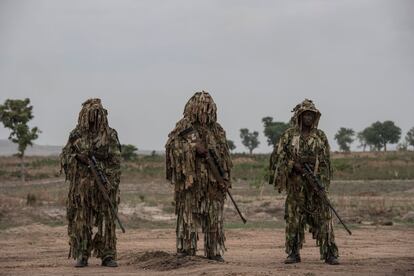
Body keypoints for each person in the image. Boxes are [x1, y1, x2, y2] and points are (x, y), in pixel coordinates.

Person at [269, 99, 339, 265]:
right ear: (299, 116)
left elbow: (326, 162)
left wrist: (320, 182)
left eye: (311, 115)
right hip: (296, 186)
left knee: (324, 218)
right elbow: (277, 159)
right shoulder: (289, 136)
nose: (308, 118)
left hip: (315, 184)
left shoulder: (320, 136)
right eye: (306, 114)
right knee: (294, 220)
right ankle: (293, 252)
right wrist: (293, 166)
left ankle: (330, 253)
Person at [165, 91, 232, 262]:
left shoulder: (217, 130)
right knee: (188, 216)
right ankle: (186, 250)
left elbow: (224, 156)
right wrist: (193, 150)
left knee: (214, 217)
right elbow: (173, 149)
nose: (204, 111)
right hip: (191, 182)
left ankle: (214, 251)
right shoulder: (184, 127)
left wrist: (224, 177)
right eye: (201, 107)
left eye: (208, 108)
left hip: (213, 183)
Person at [60, 98, 122, 267]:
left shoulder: (110, 135)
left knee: (107, 221)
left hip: (104, 185)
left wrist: (109, 182)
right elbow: (65, 157)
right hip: (82, 188)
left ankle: (108, 255)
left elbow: (116, 161)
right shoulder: (76, 135)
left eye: (97, 113)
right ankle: (82, 254)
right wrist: (77, 158)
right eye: (91, 114)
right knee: (81, 221)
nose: (94, 117)